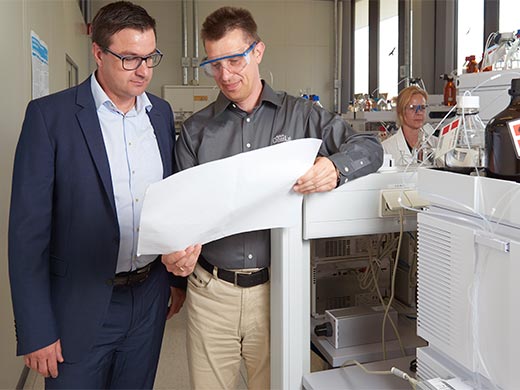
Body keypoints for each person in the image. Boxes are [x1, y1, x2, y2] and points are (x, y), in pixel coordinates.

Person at [161, 6, 383, 389]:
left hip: (279, 288)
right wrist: (177, 257)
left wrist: (336, 168)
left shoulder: (302, 116)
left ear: (258, 51)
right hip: (211, 293)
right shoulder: (196, 132)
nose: (225, 75)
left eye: (234, 59)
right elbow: (181, 215)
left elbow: (370, 146)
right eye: (214, 64)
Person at [8, 2, 195, 388]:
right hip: (80, 303)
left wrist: (176, 282)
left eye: (150, 57)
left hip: (148, 298)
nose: (144, 70)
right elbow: (27, 236)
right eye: (129, 58)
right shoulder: (50, 117)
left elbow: (172, 202)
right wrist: (35, 328)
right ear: (98, 53)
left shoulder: (159, 115)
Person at [382, 85, 436, 166]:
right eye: (412, 108)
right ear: (401, 111)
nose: (419, 112)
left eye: (422, 107)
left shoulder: (436, 144)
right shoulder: (386, 148)